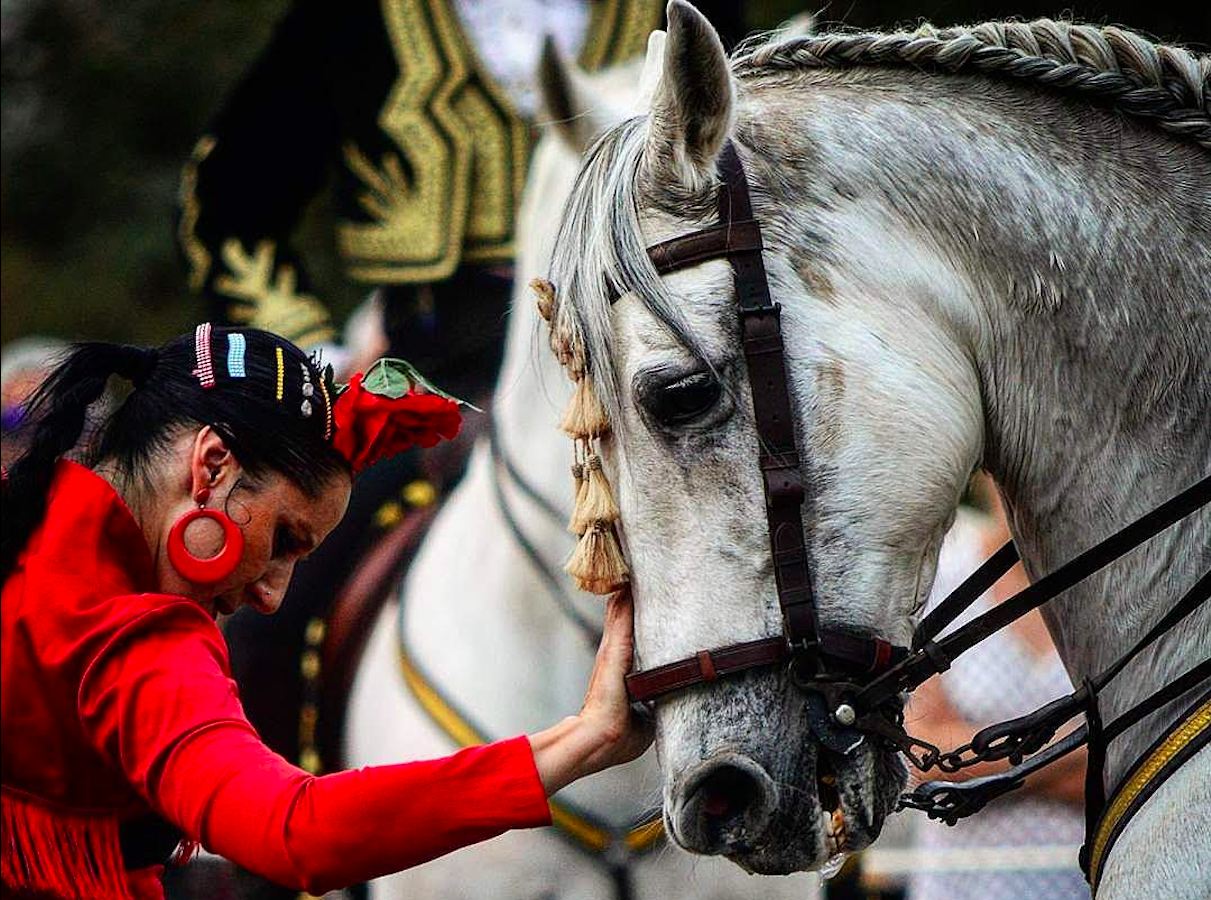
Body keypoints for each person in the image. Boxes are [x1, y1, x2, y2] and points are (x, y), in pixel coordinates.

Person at [0, 325, 651, 900]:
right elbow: (296, 832)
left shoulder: (29, 522)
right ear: (210, 466)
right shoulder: (139, 639)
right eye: (284, 540)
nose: (272, 594)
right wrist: (583, 739)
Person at [905, 493, 1089, 900]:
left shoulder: (1106, 583)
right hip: (962, 884)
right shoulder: (939, 582)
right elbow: (924, 757)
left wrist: (983, 775)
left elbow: (1137, 755)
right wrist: (1082, 749)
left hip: (1092, 878)